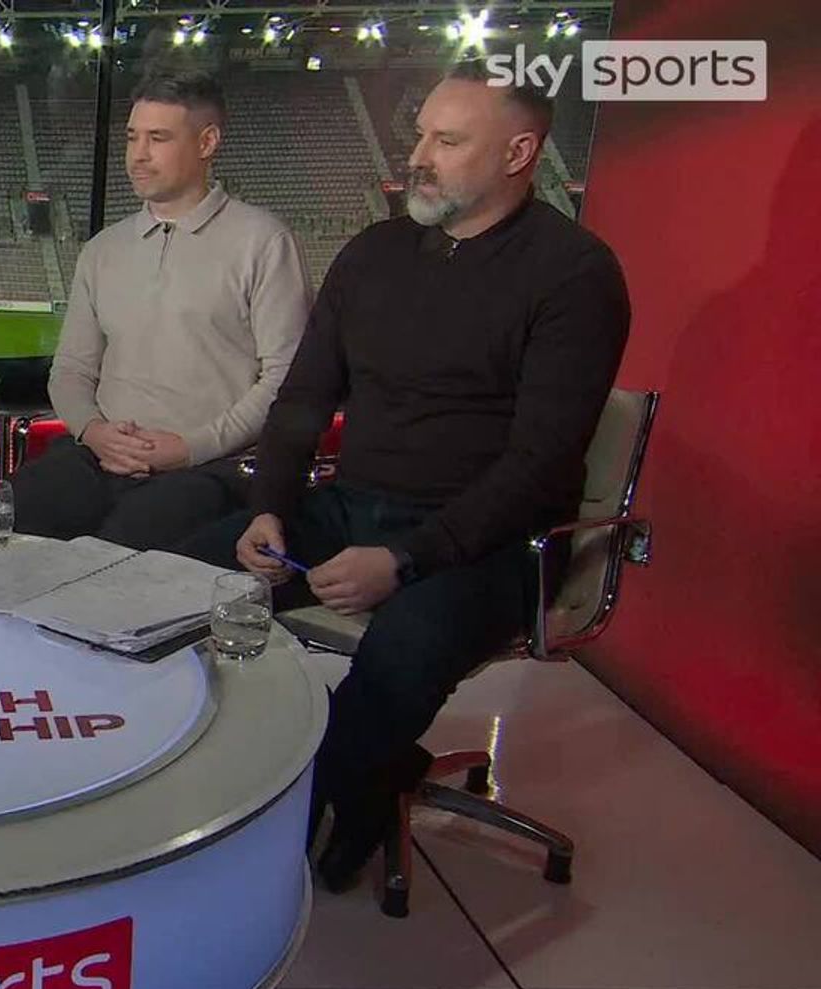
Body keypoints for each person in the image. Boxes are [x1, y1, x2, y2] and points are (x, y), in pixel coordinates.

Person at [182, 65, 630, 891]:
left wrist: (407, 560)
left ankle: (324, 807)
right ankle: (213, 779)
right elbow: (302, 400)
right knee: (178, 583)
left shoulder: (575, 275)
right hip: (352, 506)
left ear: (519, 154)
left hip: (493, 542)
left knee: (403, 649)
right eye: (420, 135)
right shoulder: (374, 254)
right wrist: (269, 508)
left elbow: (540, 466)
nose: (417, 157)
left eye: (447, 141)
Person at [12, 71, 310, 550]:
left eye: (158, 138)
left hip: (207, 467)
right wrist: (94, 431)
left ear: (207, 142)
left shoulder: (264, 242)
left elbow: (285, 380)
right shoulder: (103, 250)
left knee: (123, 548)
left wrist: (190, 447)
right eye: (132, 137)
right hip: (99, 456)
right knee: (12, 513)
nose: (138, 155)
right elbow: (70, 370)